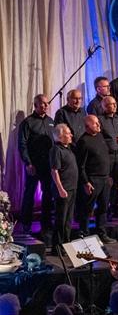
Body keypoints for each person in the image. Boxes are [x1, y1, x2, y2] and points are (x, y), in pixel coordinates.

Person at [18, 94, 56, 236]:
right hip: (33, 164)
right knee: (29, 193)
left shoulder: (51, 121)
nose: (45, 106)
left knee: (48, 193)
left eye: (47, 104)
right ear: (36, 105)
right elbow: (22, 145)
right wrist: (28, 163)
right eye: (42, 104)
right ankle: (26, 223)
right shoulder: (28, 122)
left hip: (48, 165)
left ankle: (46, 223)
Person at [75, 115, 115, 243]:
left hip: (104, 179)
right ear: (87, 126)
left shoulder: (99, 136)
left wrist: (108, 175)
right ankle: (84, 234)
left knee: (103, 207)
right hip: (92, 180)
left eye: (98, 123)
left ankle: (101, 233)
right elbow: (80, 165)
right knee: (87, 208)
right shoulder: (84, 141)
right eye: (95, 123)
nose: (98, 125)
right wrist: (86, 182)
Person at [50, 124, 78, 254]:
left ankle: (66, 245)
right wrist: (60, 189)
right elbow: (54, 171)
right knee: (61, 219)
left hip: (72, 188)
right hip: (63, 190)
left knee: (68, 219)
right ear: (60, 136)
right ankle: (57, 247)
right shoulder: (56, 150)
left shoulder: (69, 148)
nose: (71, 135)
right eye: (68, 133)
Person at [98, 96, 118, 217]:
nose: (114, 106)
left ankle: (114, 207)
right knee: (107, 183)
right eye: (110, 104)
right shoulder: (100, 120)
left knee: (116, 183)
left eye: (115, 104)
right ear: (104, 106)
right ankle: (104, 209)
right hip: (107, 156)